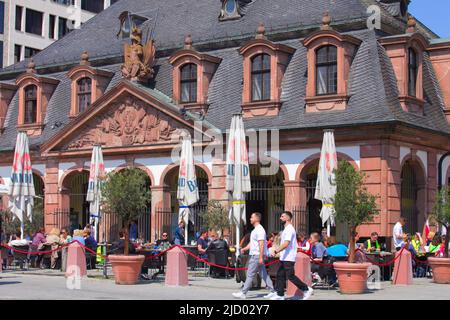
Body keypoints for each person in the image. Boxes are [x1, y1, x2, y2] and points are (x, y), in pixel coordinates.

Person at [270, 211, 313, 300]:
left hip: (289, 257)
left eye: (282, 216)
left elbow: (286, 243)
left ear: (288, 218)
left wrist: (276, 251)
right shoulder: (286, 229)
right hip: (284, 257)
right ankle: (280, 294)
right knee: (280, 274)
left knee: (290, 276)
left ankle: (306, 289)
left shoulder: (290, 229)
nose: (280, 218)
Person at [232, 213, 275, 299]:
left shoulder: (260, 230)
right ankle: (272, 291)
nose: (250, 218)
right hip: (256, 255)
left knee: (250, 274)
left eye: (252, 217)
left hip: (256, 255)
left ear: (256, 218)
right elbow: (252, 243)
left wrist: (260, 257)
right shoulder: (255, 230)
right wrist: (244, 248)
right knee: (263, 274)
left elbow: (261, 244)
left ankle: (243, 293)